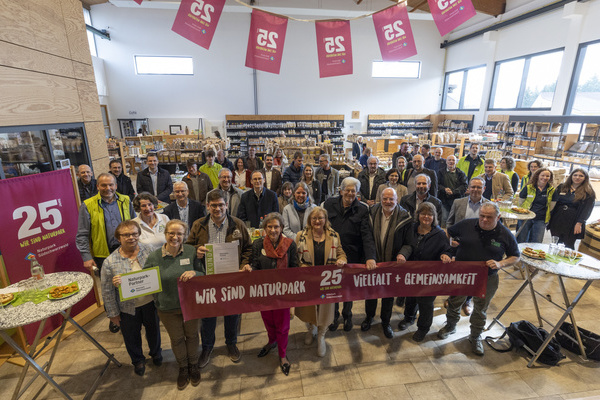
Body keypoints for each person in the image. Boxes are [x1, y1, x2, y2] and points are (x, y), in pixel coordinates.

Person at [438, 203, 520, 356]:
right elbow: (447, 232)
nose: (484, 219)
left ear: (498, 217)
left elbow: (516, 256)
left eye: (489, 217)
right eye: (482, 215)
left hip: (487, 278)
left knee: (480, 308)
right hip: (462, 275)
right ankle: (450, 326)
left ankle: (475, 337)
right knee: (455, 302)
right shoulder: (466, 225)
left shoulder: (504, 233)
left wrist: (501, 263)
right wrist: (448, 249)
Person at [187, 189, 252, 368]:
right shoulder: (198, 225)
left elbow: (248, 248)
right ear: (208, 206)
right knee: (208, 316)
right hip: (207, 279)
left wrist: (242, 266)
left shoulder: (237, 224)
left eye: (221, 205)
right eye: (213, 205)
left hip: (231, 279)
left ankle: (231, 343)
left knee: (232, 314)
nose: (218, 209)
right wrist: (195, 251)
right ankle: (207, 347)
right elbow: (187, 247)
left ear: (226, 205)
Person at [144, 220, 204, 390]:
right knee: (177, 339)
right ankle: (183, 368)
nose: (175, 237)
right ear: (165, 234)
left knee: (192, 336)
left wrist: (195, 272)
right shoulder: (154, 256)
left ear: (184, 236)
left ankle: (193, 365)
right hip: (167, 307)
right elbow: (145, 280)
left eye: (179, 233)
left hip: (191, 305)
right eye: (171, 233)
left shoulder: (191, 252)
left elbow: (203, 273)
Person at [77, 173, 136, 333]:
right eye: (103, 185)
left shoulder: (125, 200)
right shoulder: (87, 205)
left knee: (128, 282)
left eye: (111, 185)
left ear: (116, 185)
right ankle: (114, 317)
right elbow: (82, 234)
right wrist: (86, 257)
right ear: (97, 186)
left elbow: (134, 223)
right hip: (103, 254)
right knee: (109, 288)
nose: (108, 188)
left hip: (127, 250)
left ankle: (132, 315)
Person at [101, 220, 161, 376]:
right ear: (118, 238)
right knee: (131, 336)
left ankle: (156, 353)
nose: (131, 237)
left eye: (134, 233)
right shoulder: (110, 262)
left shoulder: (150, 250)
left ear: (139, 235)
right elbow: (107, 291)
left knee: (154, 330)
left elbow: (160, 272)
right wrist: (113, 313)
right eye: (126, 235)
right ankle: (138, 360)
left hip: (150, 303)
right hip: (127, 307)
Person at [242, 213, 299, 376]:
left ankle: (282, 355)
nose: (273, 230)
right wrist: (250, 268)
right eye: (269, 226)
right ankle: (271, 341)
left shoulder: (290, 245)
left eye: (276, 226)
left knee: (282, 326)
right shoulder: (258, 244)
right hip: (264, 292)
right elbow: (255, 264)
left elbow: (294, 268)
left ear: (281, 228)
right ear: (265, 228)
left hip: (282, 293)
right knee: (268, 320)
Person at [323, 177, 377, 331]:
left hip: (353, 255)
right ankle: (333, 316)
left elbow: (367, 235)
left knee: (348, 289)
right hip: (332, 255)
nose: (350, 193)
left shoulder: (362, 209)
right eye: (347, 190)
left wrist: (370, 257)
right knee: (333, 287)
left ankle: (347, 315)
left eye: (353, 191)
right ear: (341, 191)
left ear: (357, 192)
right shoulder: (329, 204)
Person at [295, 207, 347, 356]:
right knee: (308, 308)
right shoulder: (301, 235)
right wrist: (303, 267)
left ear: (325, 220)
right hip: (308, 280)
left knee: (325, 309)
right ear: (310, 220)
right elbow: (295, 258)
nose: (317, 221)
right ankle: (311, 330)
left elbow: (340, 252)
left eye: (320, 218)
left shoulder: (334, 235)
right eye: (314, 218)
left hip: (327, 281)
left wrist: (342, 259)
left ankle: (321, 336)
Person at [397, 202, 452, 342]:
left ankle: (423, 328)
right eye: (423, 214)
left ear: (434, 217)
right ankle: (409, 318)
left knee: (426, 302)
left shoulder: (439, 234)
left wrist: (445, 255)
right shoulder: (412, 229)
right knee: (410, 298)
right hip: (411, 273)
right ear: (418, 215)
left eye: (429, 214)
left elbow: (448, 250)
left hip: (429, 276)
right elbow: (406, 245)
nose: (426, 217)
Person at [362, 188, 412, 338]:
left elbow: (409, 243)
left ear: (397, 200)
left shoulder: (405, 216)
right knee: (370, 292)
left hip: (392, 265)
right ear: (380, 199)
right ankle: (369, 317)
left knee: (388, 295)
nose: (388, 202)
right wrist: (370, 256)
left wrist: (403, 254)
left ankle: (385, 322)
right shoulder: (371, 212)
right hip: (374, 262)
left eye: (391, 199)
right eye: (385, 198)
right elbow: (367, 237)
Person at [445, 177, 489, 316]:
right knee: (456, 274)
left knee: (473, 276)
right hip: (459, 246)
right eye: (473, 187)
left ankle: (467, 301)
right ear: (468, 188)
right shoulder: (458, 202)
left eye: (479, 187)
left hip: (479, 248)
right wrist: (450, 239)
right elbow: (449, 223)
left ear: (484, 189)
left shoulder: (489, 205)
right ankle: (452, 297)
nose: (475, 190)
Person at [548, 168, 596, 248]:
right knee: (555, 242)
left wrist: (579, 223)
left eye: (581, 176)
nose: (577, 177)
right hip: (557, 219)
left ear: (585, 178)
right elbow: (554, 202)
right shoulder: (562, 187)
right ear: (571, 176)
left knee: (568, 245)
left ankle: (567, 259)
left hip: (573, 221)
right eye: (575, 175)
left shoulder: (588, 192)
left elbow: (587, 210)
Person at [516, 168, 555, 243]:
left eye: (547, 176)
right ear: (537, 176)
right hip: (526, 217)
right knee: (521, 239)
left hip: (541, 219)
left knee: (536, 242)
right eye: (542, 175)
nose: (545, 178)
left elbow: (551, 207)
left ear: (550, 178)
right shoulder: (528, 188)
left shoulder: (552, 190)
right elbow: (520, 203)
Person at [437, 155, 467, 224]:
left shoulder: (461, 173)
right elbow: (437, 184)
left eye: (453, 160)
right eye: (449, 160)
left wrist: (453, 192)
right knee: (444, 219)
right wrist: (444, 189)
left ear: (456, 162)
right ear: (446, 162)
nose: (451, 162)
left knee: (457, 220)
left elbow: (464, 186)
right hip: (444, 201)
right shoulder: (440, 172)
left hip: (457, 201)